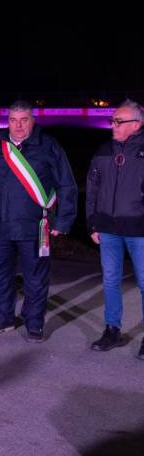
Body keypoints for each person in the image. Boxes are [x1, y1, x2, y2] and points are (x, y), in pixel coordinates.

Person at [0, 100, 78, 342]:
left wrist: (62, 221)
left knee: (35, 277)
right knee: (0, 275)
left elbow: (66, 184)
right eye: (13, 120)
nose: (18, 125)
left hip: (33, 225)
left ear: (33, 121)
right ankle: (3, 318)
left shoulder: (49, 146)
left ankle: (34, 323)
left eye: (24, 120)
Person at [86, 99, 144, 360]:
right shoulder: (103, 149)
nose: (113, 125)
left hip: (139, 229)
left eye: (118, 121)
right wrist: (92, 222)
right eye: (112, 120)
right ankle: (112, 330)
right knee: (110, 280)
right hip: (107, 228)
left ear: (137, 124)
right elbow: (93, 189)